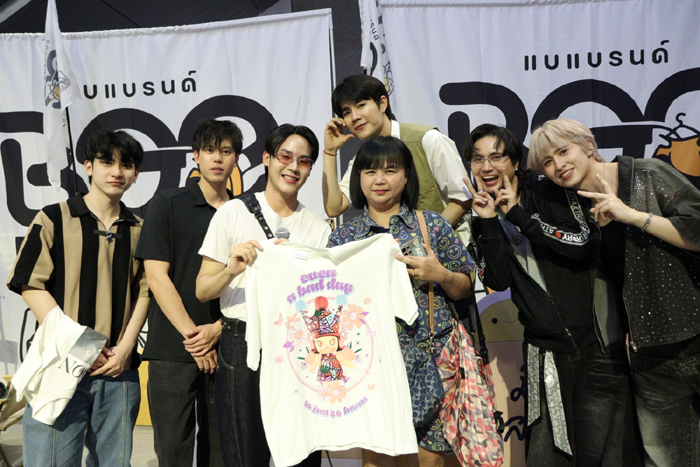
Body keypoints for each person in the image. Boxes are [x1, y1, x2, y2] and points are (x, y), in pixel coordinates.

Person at [464, 124, 642, 466]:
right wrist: (488, 222)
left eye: (496, 157)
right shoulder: (481, 212)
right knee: (548, 457)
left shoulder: (549, 190)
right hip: (543, 352)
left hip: (597, 344)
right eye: (477, 159)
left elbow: (580, 243)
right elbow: (496, 280)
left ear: (515, 161)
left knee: (608, 455)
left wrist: (517, 214)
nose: (486, 167)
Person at [528, 118, 700, 467]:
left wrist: (632, 216)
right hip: (650, 357)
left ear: (588, 145)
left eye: (563, 151)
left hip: (694, 334)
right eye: (547, 161)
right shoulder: (573, 212)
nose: (558, 164)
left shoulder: (647, 174)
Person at [328, 135, 474, 467]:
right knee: (376, 460)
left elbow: (464, 287)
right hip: (371, 366)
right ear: (359, 178)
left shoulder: (432, 225)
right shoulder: (343, 238)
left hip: (431, 359)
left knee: (428, 460)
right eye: (370, 171)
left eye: (390, 170)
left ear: (406, 175)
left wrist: (441, 274)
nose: (379, 180)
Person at [7, 130, 149, 467]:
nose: (117, 172)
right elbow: (30, 284)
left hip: (118, 369)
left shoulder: (140, 229)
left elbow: (145, 291)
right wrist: (81, 344)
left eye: (126, 165)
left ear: (136, 174)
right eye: (107, 162)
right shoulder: (53, 217)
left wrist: (126, 348)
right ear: (88, 166)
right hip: (60, 364)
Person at [195, 124, 331, 467]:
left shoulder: (317, 228)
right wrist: (231, 270)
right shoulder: (233, 212)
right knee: (243, 453)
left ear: (310, 169)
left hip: (297, 346)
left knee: (300, 452)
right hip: (241, 345)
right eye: (285, 156)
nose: (293, 167)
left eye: (303, 161)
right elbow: (202, 290)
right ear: (267, 159)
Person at [135, 119, 241, 466]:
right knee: (172, 450)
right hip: (173, 347)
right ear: (196, 155)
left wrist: (217, 332)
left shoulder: (243, 212)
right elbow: (156, 277)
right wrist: (194, 338)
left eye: (226, 151)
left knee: (223, 449)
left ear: (236, 158)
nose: (217, 158)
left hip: (226, 346)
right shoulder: (168, 203)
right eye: (209, 150)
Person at [322, 74, 471, 237]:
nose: (355, 117)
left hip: (445, 245)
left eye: (361, 105)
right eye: (347, 112)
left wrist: (425, 238)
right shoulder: (364, 158)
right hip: (395, 250)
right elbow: (334, 208)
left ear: (382, 103)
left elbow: (463, 197)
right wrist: (330, 151)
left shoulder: (427, 140)